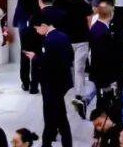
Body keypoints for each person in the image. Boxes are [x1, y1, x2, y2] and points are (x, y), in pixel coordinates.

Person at [34, 10, 73, 147]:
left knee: (55, 118)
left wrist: (36, 59)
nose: (37, 31)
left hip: (52, 85)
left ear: (43, 25)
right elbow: (70, 56)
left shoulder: (49, 41)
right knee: (59, 117)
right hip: (62, 83)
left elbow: (48, 63)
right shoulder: (63, 36)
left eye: (37, 28)